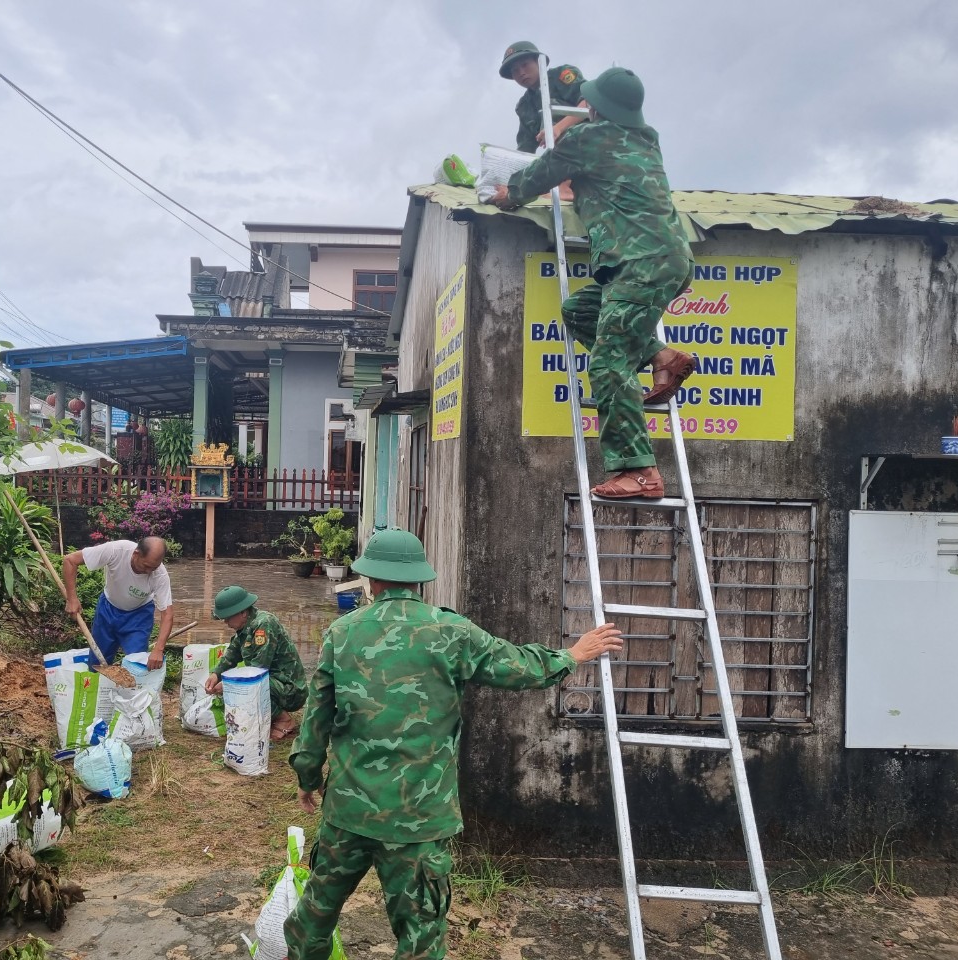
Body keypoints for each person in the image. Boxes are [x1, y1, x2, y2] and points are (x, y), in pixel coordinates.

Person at [283, 529, 624, 960]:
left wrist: (308, 777)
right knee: (421, 936)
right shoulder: (450, 631)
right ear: (419, 581)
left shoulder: (342, 633)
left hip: (349, 813)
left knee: (314, 918)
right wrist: (572, 655)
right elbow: (516, 666)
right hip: (420, 822)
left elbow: (316, 721)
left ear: (372, 582)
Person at [486, 66, 696, 500]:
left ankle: (640, 472)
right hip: (664, 259)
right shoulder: (646, 138)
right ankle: (665, 357)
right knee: (579, 311)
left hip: (639, 262)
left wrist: (507, 194)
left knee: (607, 363)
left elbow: (538, 175)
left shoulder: (588, 140)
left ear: (596, 106)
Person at [204, 584, 307, 740]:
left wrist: (229, 685)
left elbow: (258, 669)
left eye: (228, 617)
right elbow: (231, 655)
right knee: (242, 686)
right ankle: (270, 716)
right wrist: (216, 674)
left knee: (246, 687)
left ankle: (284, 720)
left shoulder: (263, 625)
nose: (225, 622)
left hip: (289, 688)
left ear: (243, 612)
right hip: (273, 682)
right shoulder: (244, 628)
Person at [61, 535, 174, 669]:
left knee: (137, 665)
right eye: (146, 566)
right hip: (108, 610)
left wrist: (158, 650)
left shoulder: (159, 575)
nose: (149, 571)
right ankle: (96, 688)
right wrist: (72, 598)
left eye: (154, 568)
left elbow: (167, 614)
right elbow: (70, 560)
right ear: (136, 554)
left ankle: (133, 689)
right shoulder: (116, 550)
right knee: (97, 663)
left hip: (138, 617)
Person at [499, 40, 586, 153]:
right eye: (515, 70)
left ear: (539, 62)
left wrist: (558, 128)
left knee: (550, 109)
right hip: (561, 155)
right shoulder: (524, 106)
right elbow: (525, 148)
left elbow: (588, 103)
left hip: (586, 137)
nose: (521, 73)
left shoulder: (561, 75)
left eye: (525, 65)